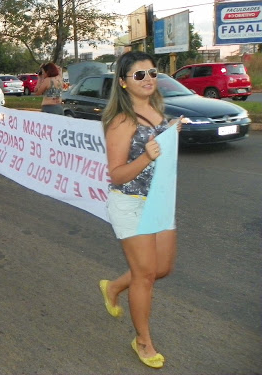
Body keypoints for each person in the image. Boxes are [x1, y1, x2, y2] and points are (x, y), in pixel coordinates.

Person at [99, 51, 180, 369]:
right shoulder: (122, 120)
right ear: (123, 83)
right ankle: (142, 340)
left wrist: (171, 135)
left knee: (161, 269)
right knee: (145, 275)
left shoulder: (158, 111)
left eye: (152, 73)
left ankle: (115, 286)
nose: (148, 79)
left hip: (160, 200)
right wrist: (147, 156)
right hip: (130, 204)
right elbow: (116, 174)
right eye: (139, 75)